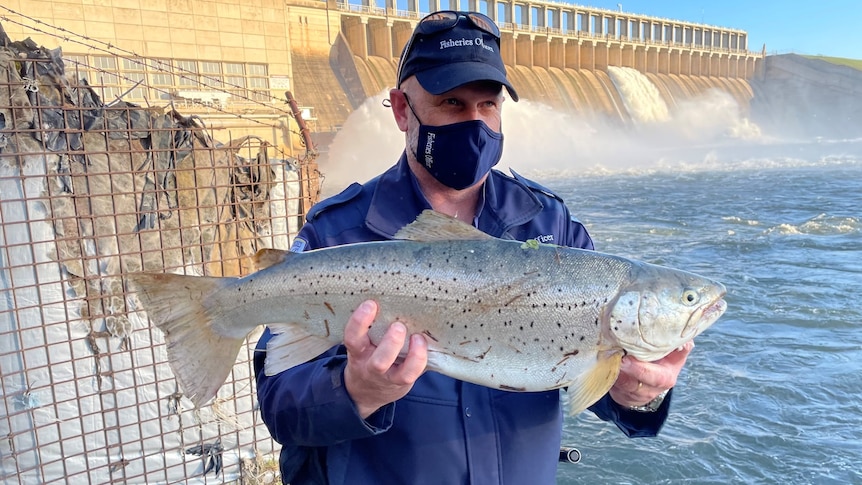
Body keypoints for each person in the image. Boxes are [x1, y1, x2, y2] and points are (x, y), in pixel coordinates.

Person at [254, 10, 694, 484]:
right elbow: (281, 406)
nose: (475, 122)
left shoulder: (551, 225)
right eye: (451, 103)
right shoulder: (337, 233)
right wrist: (355, 391)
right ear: (402, 110)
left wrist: (639, 394)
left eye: (487, 105)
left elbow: (596, 378)